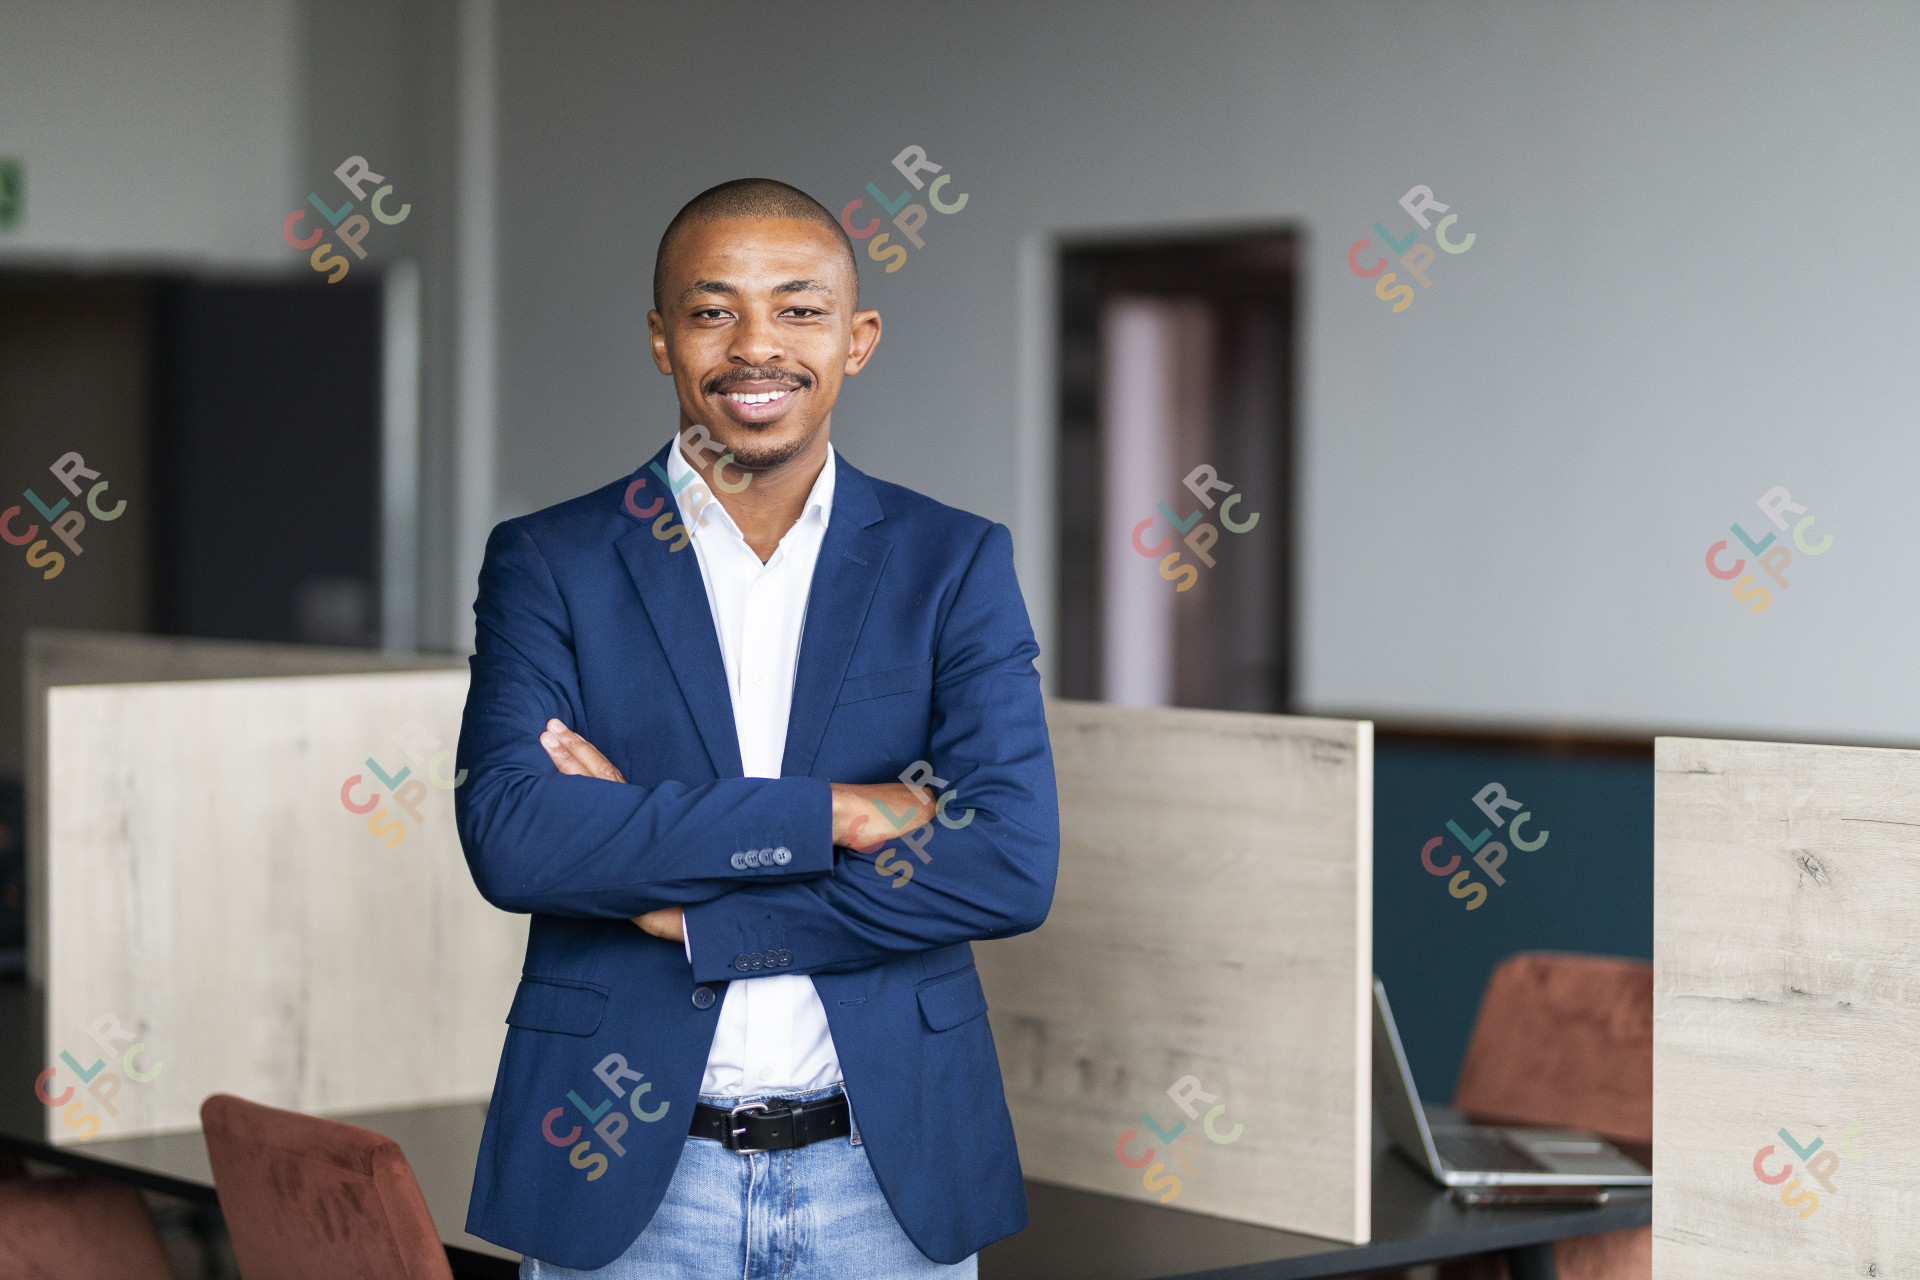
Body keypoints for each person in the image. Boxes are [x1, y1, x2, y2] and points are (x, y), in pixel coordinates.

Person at [455, 177, 1059, 1278]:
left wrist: (697, 917)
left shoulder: (953, 562)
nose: (756, 346)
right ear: (659, 339)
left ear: (858, 338)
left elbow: (1010, 864)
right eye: (712, 309)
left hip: (887, 1173)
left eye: (798, 307)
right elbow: (515, 836)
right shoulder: (552, 561)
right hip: (623, 1169)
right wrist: (837, 810)